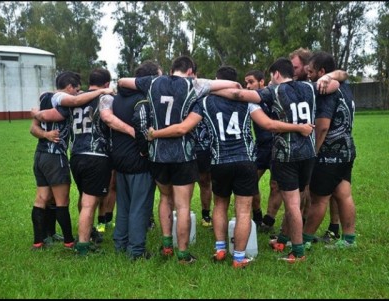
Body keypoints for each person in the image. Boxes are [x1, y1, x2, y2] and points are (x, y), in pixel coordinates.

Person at [148, 65, 314, 268]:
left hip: (219, 161)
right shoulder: (248, 101)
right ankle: (238, 257)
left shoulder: (205, 101)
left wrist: (155, 133)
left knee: (220, 205)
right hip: (245, 160)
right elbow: (266, 123)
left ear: (217, 81)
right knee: (243, 211)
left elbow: (186, 127)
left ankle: (220, 249)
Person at [211, 58, 340, 263]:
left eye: (271, 76)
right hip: (308, 152)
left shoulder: (274, 91)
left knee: (292, 205)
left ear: (277, 74)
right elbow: (336, 83)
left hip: (286, 154)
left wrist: (210, 88)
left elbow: (239, 94)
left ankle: (297, 252)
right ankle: (282, 239)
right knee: (297, 200)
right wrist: (331, 76)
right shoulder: (311, 86)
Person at [117, 55, 242, 264]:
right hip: (183, 155)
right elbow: (234, 84)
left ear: (171, 69)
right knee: (183, 206)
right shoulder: (195, 84)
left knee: (165, 199)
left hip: (157, 155)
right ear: (191, 71)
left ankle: (167, 246)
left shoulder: (152, 82)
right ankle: (183, 254)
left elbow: (122, 81)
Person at [33, 68, 132, 256]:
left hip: (76, 155)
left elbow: (55, 114)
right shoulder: (104, 97)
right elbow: (108, 119)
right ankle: (83, 246)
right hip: (96, 156)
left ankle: (84, 233)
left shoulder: (75, 99)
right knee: (89, 203)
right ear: (106, 84)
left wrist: (37, 114)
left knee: (83, 197)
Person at [100, 60, 162, 260]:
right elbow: (141, 126)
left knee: (124, 205)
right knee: (140, 206)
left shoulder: (117, 99)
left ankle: (120, 244)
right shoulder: (142, 100)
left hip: (119, 159)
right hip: (137, 160)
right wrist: (145, 151)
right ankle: (136, 251)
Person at [302, 51, 357, 250]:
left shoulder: (326, 90)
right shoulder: (345, 87)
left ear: (322, 72)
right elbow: (344, 74)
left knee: (319, 199)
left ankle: (304, 240)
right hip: (347, 149)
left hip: (329, 154)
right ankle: (349, 239)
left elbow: (323, 126)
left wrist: (313, 152)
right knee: (344, 194)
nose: (308, 75)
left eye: (310, 71)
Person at [244, 70, 282, 234]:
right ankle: (257, 216)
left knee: (276, 185)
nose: (248, 86)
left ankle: (269, 220)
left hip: (276, 146)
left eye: (251, 82)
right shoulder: (250, 101)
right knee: (249, 182)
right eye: (246, 83)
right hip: (259, 148)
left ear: (262, 82)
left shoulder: (274, 95)